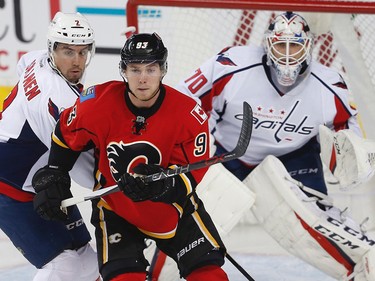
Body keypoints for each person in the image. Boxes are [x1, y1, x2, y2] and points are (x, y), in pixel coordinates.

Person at [175, 11, 375, 281]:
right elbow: (183, 102)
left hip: (295, 157)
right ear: (267, 45)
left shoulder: (331, 86)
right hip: (227, 153)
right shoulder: (230, 65)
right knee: (183, 218)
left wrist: (351, 158)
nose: (288, 54)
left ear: (309, 47)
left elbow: (347, 133)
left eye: (295, 45)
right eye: (281, 45)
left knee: (319, 222)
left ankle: (363, 268)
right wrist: (196, 142)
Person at [31, 32, 229, 281]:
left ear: (163, 69)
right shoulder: (96, 103)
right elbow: (65, 131)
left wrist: (163, 185)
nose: (143, 79)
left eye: (151, 69)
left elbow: (190, 175)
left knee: (210, 274)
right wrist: (56, 172)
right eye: (135, 69)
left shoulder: (188, 115)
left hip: (173, 209)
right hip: (116, 209)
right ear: (123, 70)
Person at [0, 12, 99, 280]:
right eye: (68, 52)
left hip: (37, 181)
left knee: (88, 260)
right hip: (10, 188)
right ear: (53, 48)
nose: (77, 61)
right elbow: (83, 171)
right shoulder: (58, 101)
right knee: (63, 265)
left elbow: (23, 64)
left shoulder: (37, 58)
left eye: (82, 52)